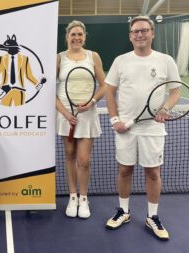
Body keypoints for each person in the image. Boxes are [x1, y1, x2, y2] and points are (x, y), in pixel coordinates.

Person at [104, 16, 180, 241]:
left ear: (152, 33)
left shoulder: (166, 61)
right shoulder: (120, 61)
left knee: (153, 173)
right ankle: (123, 211)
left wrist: (165, 108)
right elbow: (109, 91)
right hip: (125, 128)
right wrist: (114, 119)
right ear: (130, 36)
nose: (140, 34)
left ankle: (152, 216)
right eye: (136, 31)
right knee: (124, 170)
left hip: (152, 128)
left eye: (144, 30)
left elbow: (175, 91)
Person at [56, 20, 106, 218]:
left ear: (84, 36)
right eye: (73, 34)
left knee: (84, 160)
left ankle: (83, 198)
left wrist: (92, 101)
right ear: (67, 36)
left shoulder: (93, 57)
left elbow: (104, 85)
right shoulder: (59, 58)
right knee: (69, 154)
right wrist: (66, 114)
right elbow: (50, 91)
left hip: (87, 113)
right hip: (65, 114)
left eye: (80, 34)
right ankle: (72, 196)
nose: (76, 38)